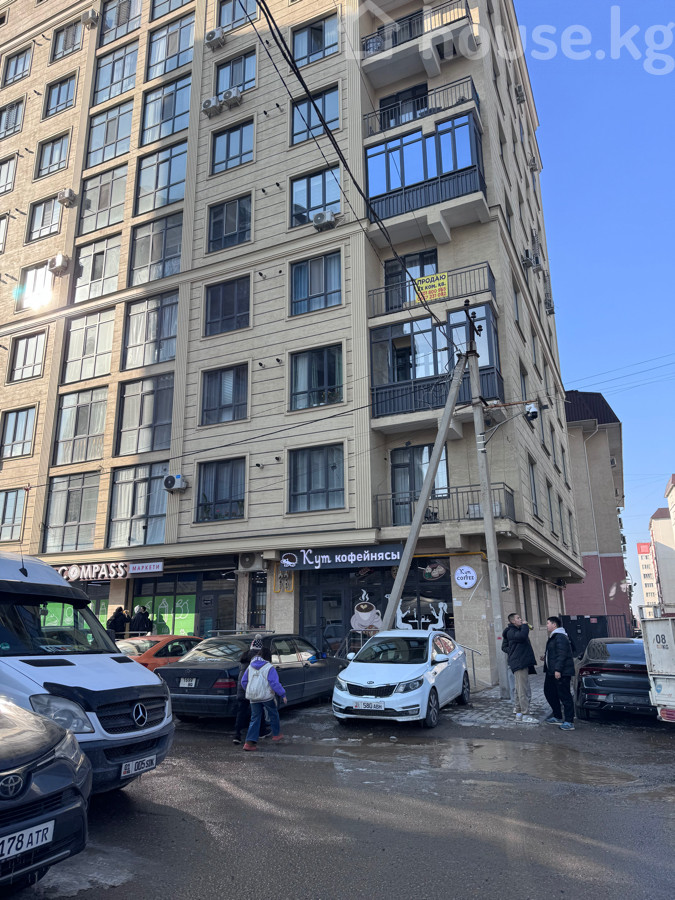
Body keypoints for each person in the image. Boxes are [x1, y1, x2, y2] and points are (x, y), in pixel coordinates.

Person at [241, 638, 287, 751]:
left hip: (253, 697)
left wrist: (250, 690)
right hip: (266, 696)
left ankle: (249, 743)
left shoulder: (250, 666)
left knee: (255, 718)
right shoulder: (269, 667)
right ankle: (276, 734)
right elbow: (274, 683)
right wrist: (283, 694)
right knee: (273, 713)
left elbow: (243, 681)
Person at [233, 636, 271, 745]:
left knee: (241, 713)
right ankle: (261, 732)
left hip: (242, 689)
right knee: (259, 710)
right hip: (254, 689)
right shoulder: (260, 660)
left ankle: (237, 735)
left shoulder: (244, 657)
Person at [541, 616, 575, 730]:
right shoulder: (555, 636)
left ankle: (569, 721)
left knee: (564, 695)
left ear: (554, 624)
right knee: (549, 692)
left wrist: (558, 670)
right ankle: (557, 716)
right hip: (551, 671)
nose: (546, 625)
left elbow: (562, 654)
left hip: (561, 672)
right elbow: (555, 652)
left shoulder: (560, 636)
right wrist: (546, 658)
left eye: (548, 623)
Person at [503, 613, 538, 724]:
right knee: (523, 689)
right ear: (513, 621)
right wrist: (525, 626)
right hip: (519, 662)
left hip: (521, 661)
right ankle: (525, 713)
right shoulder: (511, 631)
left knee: (519, 688)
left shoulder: (516, 630)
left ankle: (518, 712)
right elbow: (522, 637)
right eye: (518, 618)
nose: (521, 619)